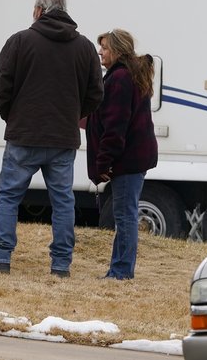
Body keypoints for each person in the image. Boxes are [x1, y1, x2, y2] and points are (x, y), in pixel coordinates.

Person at [0, 0, 103, 277]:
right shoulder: (85, 47)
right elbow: (95, 94)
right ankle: (61, 264)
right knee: (63, 200)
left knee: (8, 197)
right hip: (63, 137)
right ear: (64, 10)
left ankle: (1, 259)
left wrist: (11, 115)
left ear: (39, 10)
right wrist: (73, 115)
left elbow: (1, 86)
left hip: (23, 134)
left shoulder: (19, 41)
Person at [86, 29, 158, 280]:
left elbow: (115, 125)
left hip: (127, 159)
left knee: (125, 216)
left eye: (104, 47)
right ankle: (120, 267)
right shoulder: (131, 75)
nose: (100, 52)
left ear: (116, 50)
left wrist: (103, 161)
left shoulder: (119, 79)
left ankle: (121, 271)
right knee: (125, 214)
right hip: (135, 157)